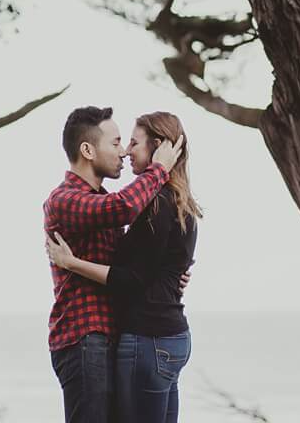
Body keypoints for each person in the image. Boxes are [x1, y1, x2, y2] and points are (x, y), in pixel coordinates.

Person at [48, 112, 200, 423]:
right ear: (88, 151)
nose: (124, 151)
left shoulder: (126, 201)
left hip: (115, 335)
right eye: (117, 142)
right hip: (85, 336)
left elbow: (136, 265)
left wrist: (168, 277)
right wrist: (160, 168)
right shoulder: (65, 200)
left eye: (129, 143)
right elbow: (122, 209)